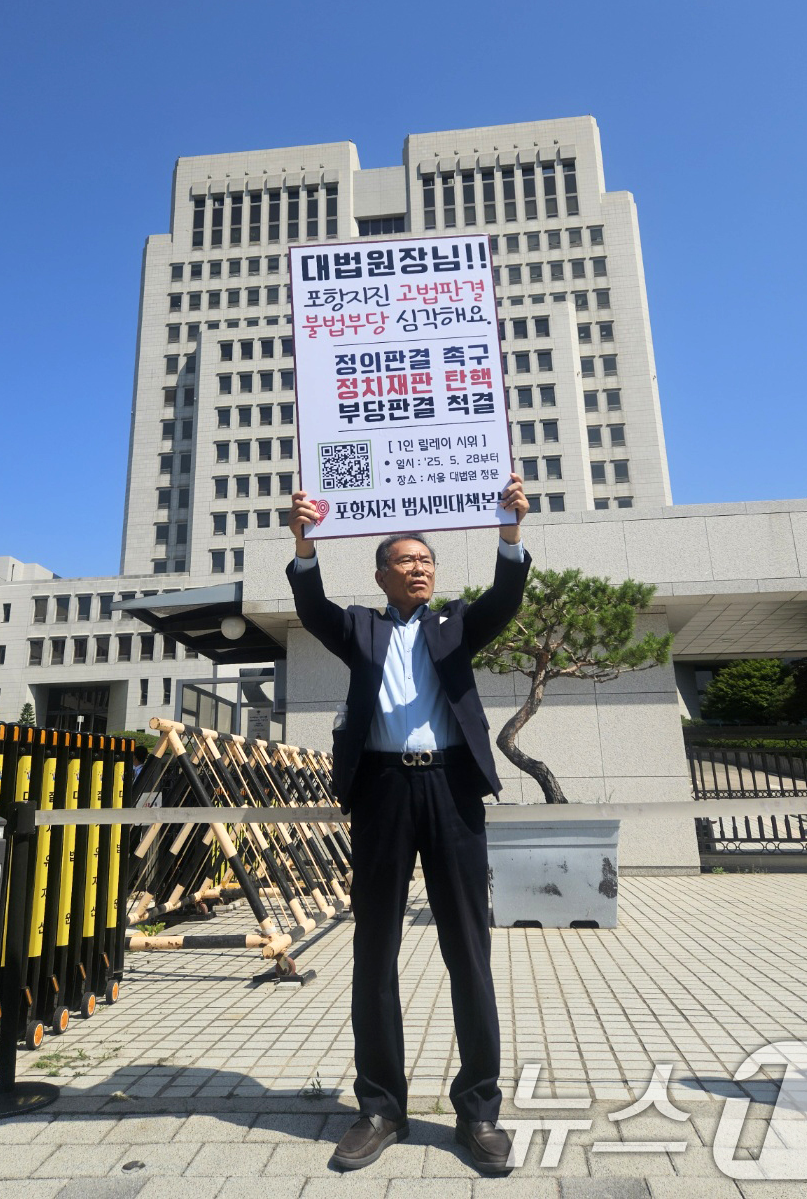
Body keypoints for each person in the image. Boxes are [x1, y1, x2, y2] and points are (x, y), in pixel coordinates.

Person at [286, 475, 530, 1173]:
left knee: (468, 951)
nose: (421, 569)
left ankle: (478, 1111)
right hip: (383, 792)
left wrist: (509, 533)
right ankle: (380, 1107)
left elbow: (505, 598)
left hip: (451, 789)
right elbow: (312, 607)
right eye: (407, 562)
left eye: (427, 562)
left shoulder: (457, 624)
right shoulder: (358, 626)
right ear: (382, 572)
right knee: (375, 951)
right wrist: (304, 543)